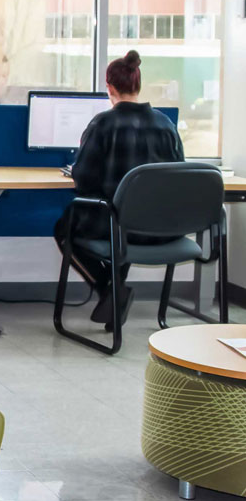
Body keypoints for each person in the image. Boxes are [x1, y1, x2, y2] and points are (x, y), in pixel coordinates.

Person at [53, 50, 184, 329]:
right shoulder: (166, 125)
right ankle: (115, 294)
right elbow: (178, 175)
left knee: (66, 228)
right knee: (121, 222)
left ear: (109, 87)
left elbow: (84, 180)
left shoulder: (103, 124)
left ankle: (110, 291)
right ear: (138, 85)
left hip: (118, 225)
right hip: (160, 229)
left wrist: (74, 171)